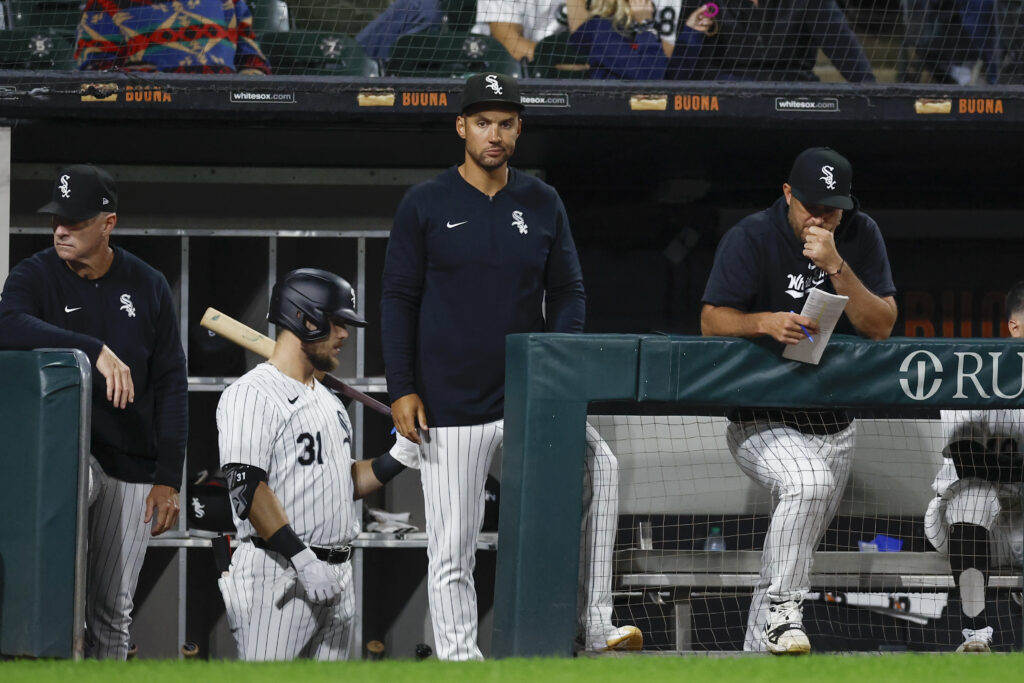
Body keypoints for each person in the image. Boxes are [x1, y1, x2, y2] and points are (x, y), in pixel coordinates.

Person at [381, 72, 641, 660]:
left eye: (504, 123)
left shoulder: (542, 201)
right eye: (481, 122)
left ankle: (596, 622)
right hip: (449, 404)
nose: (492, 133)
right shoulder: (425, 202)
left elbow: (570, 291)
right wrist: (402, 388)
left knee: (602, 468)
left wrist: (552, 361)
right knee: (452, 547)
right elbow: (397, 299)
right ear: (461, 127)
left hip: (526, 399)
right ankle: (457, 660)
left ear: (518, 130)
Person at [700, 147, 897, 654]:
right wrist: (762, 322)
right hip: (760, 420)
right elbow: (710, 320)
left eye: (832, 209)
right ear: (787, 194)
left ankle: (756, 656)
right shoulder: (751, 236)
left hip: (834, 425)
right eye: (811, 206)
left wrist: (837, 267)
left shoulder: (860, 235)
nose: (821, 217)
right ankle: (787, 608)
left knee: (791, 552)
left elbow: (881, 326)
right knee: (807, 485)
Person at [0, 164, 188, 660]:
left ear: (108, 223)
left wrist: (169, 477)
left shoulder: (147, 285)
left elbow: (171, 381)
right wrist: (92, 349)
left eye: (75, 221)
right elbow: (7, 324)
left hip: (131, 463)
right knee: (50, 601)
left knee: (112, 613)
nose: (60, 229)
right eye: (56, 219)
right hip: (67, 457)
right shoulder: (35, 275)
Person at [216, 268, 407, 661]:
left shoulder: (328, 400)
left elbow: (341, 483)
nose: (345, 335)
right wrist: (302, 558)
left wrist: (398, 458)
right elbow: (246, 488)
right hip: (279, 573)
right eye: (338, 323)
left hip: (337, 575)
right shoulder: (251, 395)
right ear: (306, 318)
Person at [924, 282, 1024, 653]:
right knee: (972, 497)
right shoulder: (975, 369)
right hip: (966, 528)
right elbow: (968, 461)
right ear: (1015, 326)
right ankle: (975, 635)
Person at [665, 0, 876, 83]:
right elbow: (684, 72)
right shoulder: (704, 3)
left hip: (793, 99)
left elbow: (853, 63)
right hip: (725, 98)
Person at [74, 0, 271, 74]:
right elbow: (95, 74)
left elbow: (252, 61)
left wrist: (248, 85)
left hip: (223, 120)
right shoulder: (104, 3)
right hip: (147, 124)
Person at [566, 0, 701, 79]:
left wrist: (692, 32)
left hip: (648, 117)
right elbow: (651, 77)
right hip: (613, 119)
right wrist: (645, 24)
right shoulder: (601, 28)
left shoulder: (641, 27)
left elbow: (675, 76)